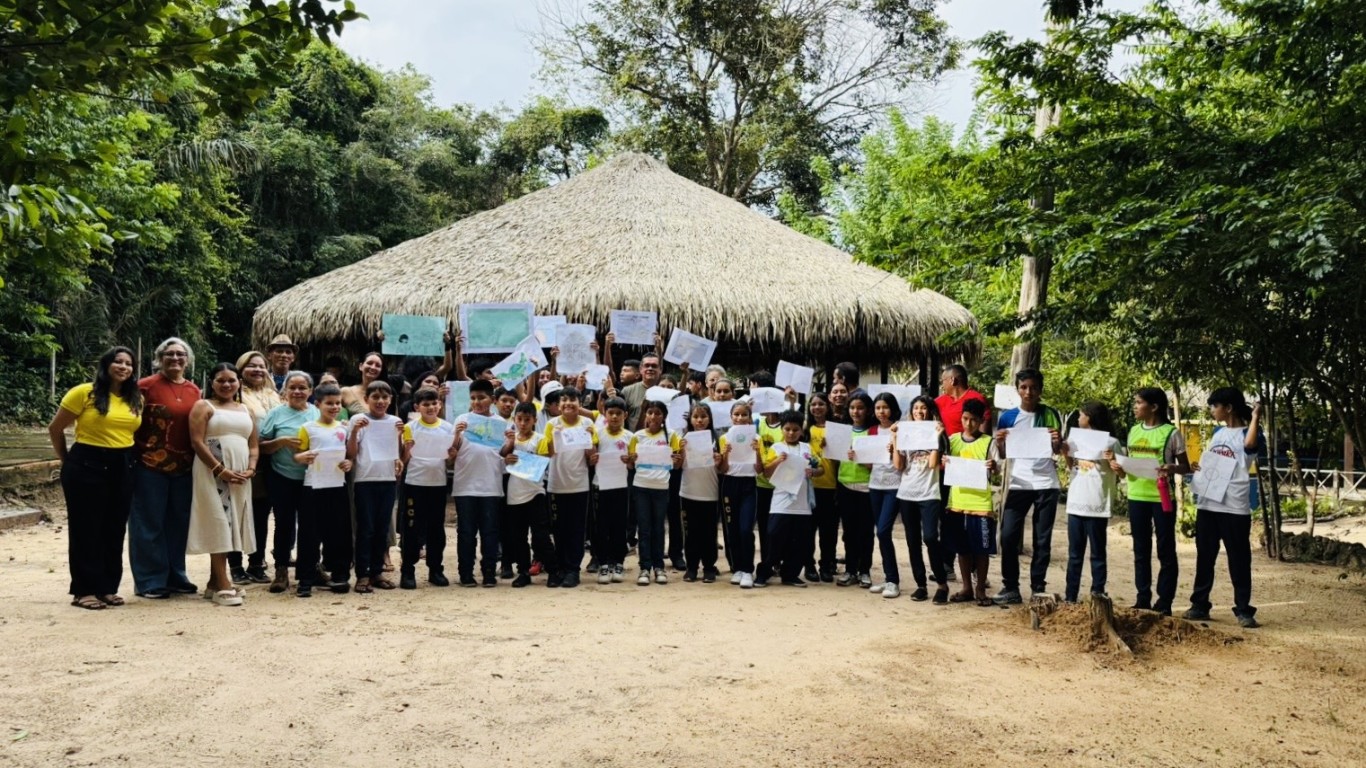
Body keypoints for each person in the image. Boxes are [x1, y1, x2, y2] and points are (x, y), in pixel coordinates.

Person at [48, 347, 144, 610]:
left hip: (123, 464)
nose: (123, 367)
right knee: (86, 528)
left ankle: (107, 588)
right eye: (117, 362)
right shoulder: (84, 393)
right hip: (87, 463)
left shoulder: (136, 398)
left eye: (128, 363)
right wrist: (67, 459)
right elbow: (55, 428)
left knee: (114, 528)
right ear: (106, 365)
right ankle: (84, 590)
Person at [1184, 389, 1264, 629]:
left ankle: (1243, 609)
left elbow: (1249, 446)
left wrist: (1255, 416)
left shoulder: (1251, 432)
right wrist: (1200, 468)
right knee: (1205, 556)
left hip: (1234, 506)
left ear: (1228, 408)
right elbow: (1214, 462)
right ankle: (1199, 604)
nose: (1211, 410)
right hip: (1209, 503)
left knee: (1238, 559)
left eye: (1214, 406)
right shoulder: (1217, 434)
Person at [128, 337, 201, 600]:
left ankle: (175, 576)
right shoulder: (145, 386)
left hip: (184, 467)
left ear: (187, 360)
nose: (175, 358)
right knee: (148, 523)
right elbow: (128, 422)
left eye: (180, 354)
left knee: (178, 523)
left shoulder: (194, 390)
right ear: (160, 358)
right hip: (149, 465)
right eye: (169, 354)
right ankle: (149, 580)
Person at [185, 363, 259, 607]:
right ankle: (224, 583)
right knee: (219, 521)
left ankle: (213, 582)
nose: (227, 385)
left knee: (231, 522)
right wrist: (220, 470)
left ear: (239, 382)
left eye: (231, 380)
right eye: (221, 380)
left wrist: (251, 468)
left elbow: (253, 444)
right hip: (213, 469)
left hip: (240, 474)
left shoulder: (246, 409)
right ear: (212, 383)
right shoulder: (204, 406)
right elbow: (197, 442)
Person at [992, 368, 1064, 604]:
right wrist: (1000, 443)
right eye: (1024, 387)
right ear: (1017, 390)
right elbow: (1004, 454)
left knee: (1042, 539)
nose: (1028, 392)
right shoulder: (1008, 417)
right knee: (1008, 535)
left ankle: (1038, 588)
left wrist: (1057, 441)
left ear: (1040, 390)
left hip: (1046, 483)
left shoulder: (1050, 414)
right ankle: (1010, 587)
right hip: (1019, 482)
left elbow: (1056, 451)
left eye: (1033, 387)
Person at [1126, 387, 1190, 615]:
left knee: (1165, 549)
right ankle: (1142, 598)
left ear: (1154, 407)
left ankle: (1164, 602)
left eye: (1139, 402)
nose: (1135, 407)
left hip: (1161, 498)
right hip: (1136, 495)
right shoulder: (1133, 431)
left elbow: (1186, 466)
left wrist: (1172, 468)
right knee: (1140, 549)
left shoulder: (1171, 433)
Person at [257, 371, 318, 593]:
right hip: (281, 476)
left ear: (310, 391)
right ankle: (281, 569)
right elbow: (261, 446)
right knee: (284, 524)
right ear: (285, 391)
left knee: (310, 526)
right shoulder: (275, 414)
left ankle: (309, 568)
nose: (297, 392)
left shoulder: (317, 413)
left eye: (302, 388)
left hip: (311, 478)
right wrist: (281, 441)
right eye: (292, 387)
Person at [292, 383, 354, 597]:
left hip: (337, 485)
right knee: (309, 533)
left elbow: (350, 456)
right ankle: (306, 579)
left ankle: (340, 575)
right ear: (317, 404)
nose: (334, 407)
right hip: (313, 485)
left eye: (338, 403)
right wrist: (302, 457)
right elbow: (297, 455)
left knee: (339, 532)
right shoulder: (308, 428)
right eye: (329, 403)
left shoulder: (344, 428)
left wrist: (349, 463)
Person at [755, 410, 824, 588]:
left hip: (802, 504)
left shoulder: (807, 448)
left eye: (795, 430)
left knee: (799, 541)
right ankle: (764, 572)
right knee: (774, 536)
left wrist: (813, 471)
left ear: (801, 431)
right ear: (782, 430)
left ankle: (791, 574)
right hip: (781, 502)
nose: (791, 433)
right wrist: (778, 461)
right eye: (787, 429)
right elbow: (766, 473)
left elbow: (820, 469)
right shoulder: (776, 448)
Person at [227, 351, 280, 584]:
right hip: (244, 458)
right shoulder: (235, 394)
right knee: (238, 511)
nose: (258, 370)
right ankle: (235, 564)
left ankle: (257, 563)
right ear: (240, 369)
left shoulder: (273, 394)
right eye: (251, 366)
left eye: (261, 366)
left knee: (260, 513)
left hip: (271, 460)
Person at [1064, 402, 1123, 604]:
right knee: (1074, 554)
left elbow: (1122, 473)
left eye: (1081, 415)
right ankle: (1070, 596)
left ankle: (1098, 594)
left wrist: (1112, 460)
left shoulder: (1111, 442)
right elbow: (1071, 466)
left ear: (1089, 417)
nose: (1078, 418)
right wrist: (1065, 452)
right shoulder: (1075, 439)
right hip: (1076, 503)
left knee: (1097, 553)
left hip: (1097, 505)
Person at [451, 379, 508, 588]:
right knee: (466, 532)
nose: (477, 402)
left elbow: (504, 453)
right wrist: (457, 434)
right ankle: (465, 572)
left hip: (491, 486)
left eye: (481, 398)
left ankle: (489, 571)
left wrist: (511, 443)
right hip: (465, 485)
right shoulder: (462, 420)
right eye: (473, 398)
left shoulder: (501, 424)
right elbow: (452, 452)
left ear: (492, 400)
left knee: (490, 532)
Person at [348, 380, 404, 593]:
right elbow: (351, 453)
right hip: (365, 481)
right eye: (375, 397)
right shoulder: (358, 420)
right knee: (366, 528)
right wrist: (355, 432)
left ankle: (377, 571)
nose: (380, 401)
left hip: (387, 480)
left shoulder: (395, 421)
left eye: (384, 397)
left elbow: (398, 453)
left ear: (390, 400)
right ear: (366, 399)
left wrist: (400, 437)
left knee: (382, 528)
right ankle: (362, 574)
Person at [892, 395, 948, 603]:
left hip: (929, 492)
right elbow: (899, 465)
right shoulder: (906, 433)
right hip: (907, 493)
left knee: (931, 537)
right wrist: (895, 439)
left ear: (930, 412)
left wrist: (936, 438)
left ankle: (942, 583)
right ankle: (921, 585)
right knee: (912, 540)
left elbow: (933, 464)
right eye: (915, 408)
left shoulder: (938, 433)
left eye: (923, 408)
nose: (919, 412)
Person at [399, 387, 455, 590]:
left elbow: (449, 462)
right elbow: (404, 460)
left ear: (439, 405)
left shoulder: (448, 428)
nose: (430, 407)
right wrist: (407, 449)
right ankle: (407, 570)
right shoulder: (409, 427)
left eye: (434, 403)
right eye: (426, 404)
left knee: (436, 529)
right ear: (417, 407)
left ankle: (435, 569)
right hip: (414, 484)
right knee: (411, 528)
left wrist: (452, 455)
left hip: (437, 484)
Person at [542, 386, 598, 588]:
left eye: (572, 400)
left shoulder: (587, 423)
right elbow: (547, 453)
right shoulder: (551, 424)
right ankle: (560, 568)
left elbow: (591, 458)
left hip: (579, 485)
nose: (568, 403)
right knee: (559, 529)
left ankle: (573, 570)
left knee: (576, 530)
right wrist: (555, 437)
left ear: (579, 404)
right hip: (556, 485)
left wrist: (590, 440)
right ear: (558, 405)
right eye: (564, 400)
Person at [944, 398, 998, 606]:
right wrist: (944, 461)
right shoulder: (952, 440)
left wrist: (993, 467)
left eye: (974, 420)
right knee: (962, 548)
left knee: (982, 550)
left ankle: (980, 589)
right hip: (957, 502)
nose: (969, 424)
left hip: (981, 504)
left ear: (981, 421)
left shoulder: (989, 442)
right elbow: (942, 463)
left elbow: (998, 471)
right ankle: (966, 587)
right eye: (965, 418)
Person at [503, 402, 556, 587]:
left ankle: (553, 570)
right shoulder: (510, 439)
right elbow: (502, 456)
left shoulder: (540, 439)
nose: (523, 423)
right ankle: (523, 572)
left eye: (527, 419)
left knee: (541, 535)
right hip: (514, 494)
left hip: (535, 492)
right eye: (519, 419)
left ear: (534, 420)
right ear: (514, 419)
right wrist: (507, 456)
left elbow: (543, 461)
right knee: (518, 536)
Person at [629, 400, 677, 585]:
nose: (654, 416)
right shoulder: (637, 436)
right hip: (641, 486)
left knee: (658, 527)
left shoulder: (672, 435)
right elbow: (631, 465)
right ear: (646, 415)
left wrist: (677, 458)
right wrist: (630, 459)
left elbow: (677, 463)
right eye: (650, 412)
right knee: (644, 528)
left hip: (661, 488)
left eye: (658, 413)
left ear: (664, 416)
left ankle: (659, 566)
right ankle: (644, 567)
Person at [678, 402, 722, 583]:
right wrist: (681, 450)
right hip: (688, 492)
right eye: (696, 417)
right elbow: (678, 465)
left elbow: (723, 468)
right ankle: (692, 567)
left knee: (709, 533)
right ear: (690, 419)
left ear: (710, 419)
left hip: (710, 493)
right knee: (691, 533)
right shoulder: (684, 438)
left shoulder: (717, 440)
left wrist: (719, 460)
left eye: (703, 416)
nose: (699, 420)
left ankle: (709, 567)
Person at [867, 392, 904, 598]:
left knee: (882, 531)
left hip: (894, 485)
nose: (881, 411)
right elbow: (868, 463)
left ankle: (893, 581)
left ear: (893, 408)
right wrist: (857, 455)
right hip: (875, 485)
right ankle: (888, 578)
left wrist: (894, 448)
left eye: (885, 407)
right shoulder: (872, 430)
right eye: (878, 408)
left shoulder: (899, 429)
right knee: (881, 533)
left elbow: (902, 462)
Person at [720, 401, 761, 588]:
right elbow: (723, 469)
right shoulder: (724, 438)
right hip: (730, 484)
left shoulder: (756, 438)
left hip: (748, 485)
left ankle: (747, 570)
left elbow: (759, 469)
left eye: (744, 414)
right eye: (736, 414)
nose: (740, 418)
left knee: (746, 529)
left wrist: (757, 452)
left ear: (750, 417)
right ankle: (737, 568)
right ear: (731, 417)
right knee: (732, 529)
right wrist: (725, 454)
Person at [836, 392, 874, 588]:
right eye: (852, 408)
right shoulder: (842, 431)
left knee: (866, 532)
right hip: (845, 484)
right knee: (849, 531)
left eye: (860, 408)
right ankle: (850, 570)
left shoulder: (873, 432)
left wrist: (861, 457)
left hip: (867, 487)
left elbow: (877, 463)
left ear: (867, 410)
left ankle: (864, 570)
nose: (856, 412)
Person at [592, 398, 631, 584]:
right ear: (604, 414)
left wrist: (630, 461)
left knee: (619, 526)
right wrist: (592, 459)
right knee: (601, 526)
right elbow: (589, 457)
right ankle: (603, 564)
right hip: (600, 485)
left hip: (621, 486)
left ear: (625, 415)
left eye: (618, 413)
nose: (614, 417)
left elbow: (633, 464)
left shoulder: (630, 437)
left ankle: (618, 562)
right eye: (611, 413)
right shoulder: (597, 434)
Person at [806, 392, 839, 583]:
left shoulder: (836, 429)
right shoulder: (805, 429)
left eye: (821, 404)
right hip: (809, 487)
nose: (817, 407)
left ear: (828, 406)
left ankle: (826, 565)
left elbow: (842, 458)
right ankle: (809, 565)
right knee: (808, 530)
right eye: (813, 404)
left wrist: (831, 447)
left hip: (830, 486)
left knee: (829, 531)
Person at [935, 365, 990, 438]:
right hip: (948, 444)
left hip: (970, 444)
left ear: (952, 380)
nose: (942, 385)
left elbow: (985, 435)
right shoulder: (940, 401)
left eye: (943, 381)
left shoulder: (977, 399)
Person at [620, 351, 663, 430]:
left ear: (660, 370)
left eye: (654, 366)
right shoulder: (627, 391)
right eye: (647, 365)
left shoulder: (666, 393)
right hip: (633, 436)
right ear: (640, 369)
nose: (650, 368)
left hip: (660, 437)